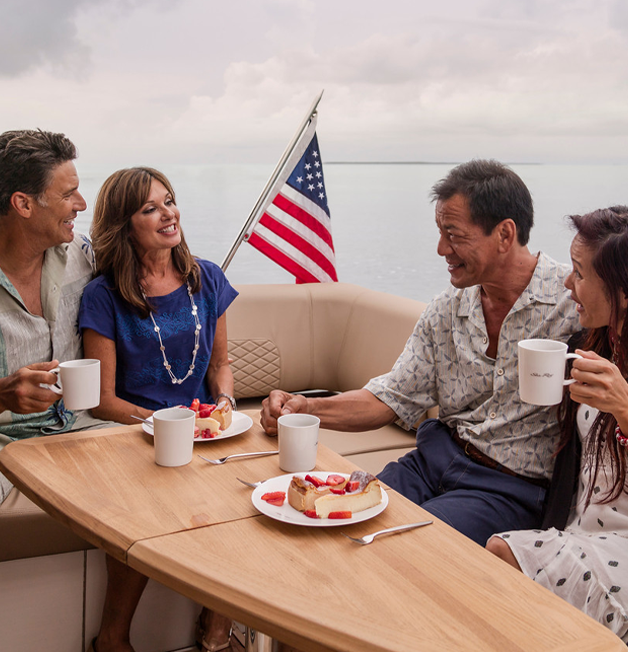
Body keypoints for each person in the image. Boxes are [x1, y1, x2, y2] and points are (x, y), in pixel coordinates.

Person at [261, 159, 581, 545]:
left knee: (398, 546)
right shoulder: (446, 309)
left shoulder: (574, 305)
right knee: (329, 518)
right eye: (439, 232)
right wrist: (304, 408)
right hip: (432, 462)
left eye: (454, 234)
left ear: (504, 234)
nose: (441, 248)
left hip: (510, 489)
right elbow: (391, 397)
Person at [79, 167, 238, 652]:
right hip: (133, 432)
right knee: (140, 516)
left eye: (169, 201)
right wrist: (163, 425)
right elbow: (102, 400)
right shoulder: (102, 296)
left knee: (242, 500)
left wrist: (226, 406)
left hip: (209, 432)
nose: (169, 213)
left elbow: (222, 367)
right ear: (125, 226)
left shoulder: (207, 278)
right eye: (150, 208)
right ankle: (112, 639)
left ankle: (219, 622)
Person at [487, 207, 628, 642]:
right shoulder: (592, 345)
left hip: (620, 545)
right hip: (581, 529)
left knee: (500, 552)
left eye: (581, 274)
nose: (568, 284)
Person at [0, 129, 111, 504]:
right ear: (23, 204)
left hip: (81, 425)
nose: (81, 204)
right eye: (67, 194)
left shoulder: (82, 253)